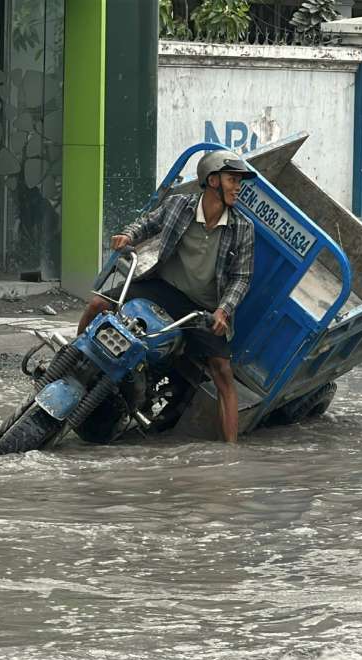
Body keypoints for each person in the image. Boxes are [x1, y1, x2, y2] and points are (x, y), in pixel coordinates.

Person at [76, 150, 256, 443]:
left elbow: (241, 277)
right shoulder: (179, 206)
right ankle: (77, 362)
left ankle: (230, 454)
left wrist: (224, 310)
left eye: (239, 181)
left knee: (223, 372)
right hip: (162, 288)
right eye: (232, 179)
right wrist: (128, 234)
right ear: (212, 181)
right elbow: (147, 223)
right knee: (98, 304)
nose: (238, 187)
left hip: (202, 309)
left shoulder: (243, 228)